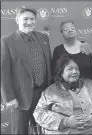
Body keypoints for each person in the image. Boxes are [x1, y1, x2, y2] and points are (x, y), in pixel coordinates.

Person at [33, 55, 92, 134]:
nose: (75, 71)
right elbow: (38, 112)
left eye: (77, 68)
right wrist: (65, 122)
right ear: (61, 73)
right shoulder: (50, 92)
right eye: (70, 69)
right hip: (66, 131)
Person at [1, 6, 52, 134]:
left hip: (44, 95)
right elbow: (3, 72)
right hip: (20, 98)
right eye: (25, 19)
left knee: (44, 130)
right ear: (17, 20)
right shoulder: (7, 41)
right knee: (20, 131)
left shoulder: (43, 38)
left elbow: (49, 64)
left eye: (32, 19)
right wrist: (9, 98)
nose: (29, 22)